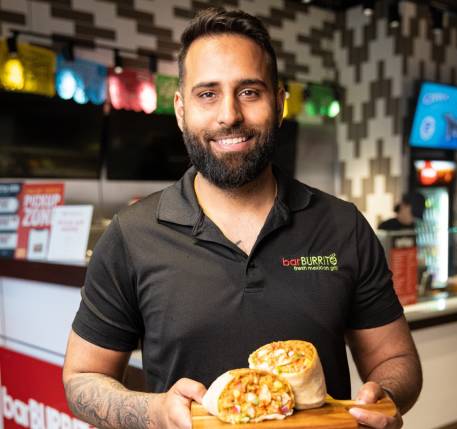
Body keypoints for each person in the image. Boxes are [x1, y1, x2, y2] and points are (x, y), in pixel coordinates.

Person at [63, 7, 422, 429]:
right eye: (207, 94)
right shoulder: (132, 235)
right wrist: (151, 411)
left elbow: (396, 359)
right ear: (181, 109)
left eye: (249, 91)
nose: (229, 114)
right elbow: (82, 378)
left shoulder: (342, 226)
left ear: (280, 102)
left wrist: (385, 398)